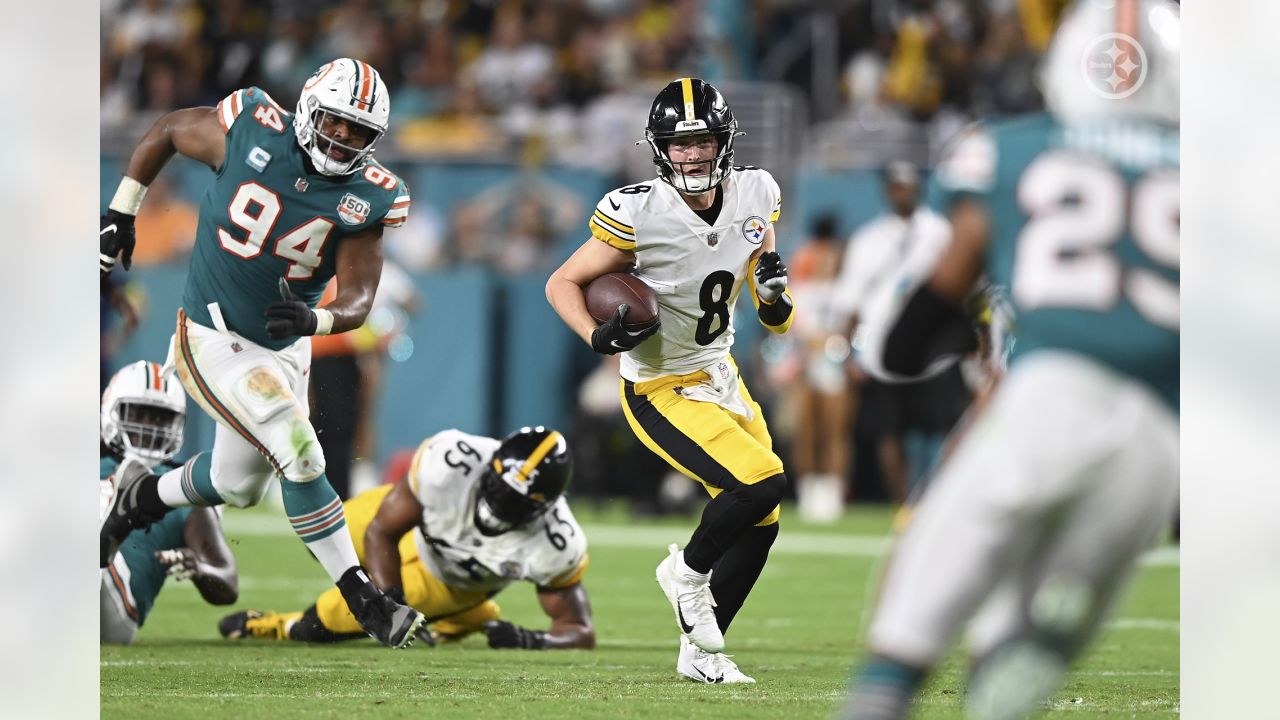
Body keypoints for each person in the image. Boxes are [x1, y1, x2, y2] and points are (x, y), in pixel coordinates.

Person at [843, 2, 1180, 717]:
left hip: (1052, 395)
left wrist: (908, 345)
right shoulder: (1228, 174)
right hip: (1158, 438)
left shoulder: (1012, 148)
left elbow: (952, 273)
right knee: (1020, 648)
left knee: (907, 630)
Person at [98, 58, 426, 648]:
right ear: (307, 108)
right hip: (211, 333)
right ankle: (363, 596)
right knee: (299, 449)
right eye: (336, 122)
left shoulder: (368, 196)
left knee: (238, 484)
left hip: (282, 345)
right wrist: (122, 209)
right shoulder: (252, 124)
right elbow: (169, 129)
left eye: (359, 131)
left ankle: (138, 497)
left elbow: (357, 299)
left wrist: (317, 318)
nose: (344, 139)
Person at [546, 78, 794, 684]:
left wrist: (773, 299)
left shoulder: (757, 193)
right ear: (659, 150)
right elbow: (562, 283)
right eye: (679, 145)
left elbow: (776, 318)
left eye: (703, 139)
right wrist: (594, 336)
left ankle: (702, 655)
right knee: (761, 482)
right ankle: (685, 572)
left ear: (724, 140)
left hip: (721, 372)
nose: (693, 154)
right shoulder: (638, 212)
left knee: (762, 518)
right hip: (661, 385)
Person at [218, 427, 595, 651]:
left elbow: (579, 629)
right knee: (324, 532)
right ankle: (461, 618)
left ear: (544, 508)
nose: (498, 506)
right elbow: (383, 530)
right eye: (496, 489)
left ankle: (275, 625)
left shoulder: (556, 543)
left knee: (326, 618)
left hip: (447, 579)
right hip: (407, 526)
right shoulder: (451, 460)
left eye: (515, 504)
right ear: (489, 465)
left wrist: (531, 640)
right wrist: (389, 601)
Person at [831, 160, 967, 506]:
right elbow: (851, 301)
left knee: (948, 424)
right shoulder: (867, 239)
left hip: (936, 345)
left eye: (907, 185)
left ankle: (944, 499)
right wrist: (846, 351)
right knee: (889, 430)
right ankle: (899, 504)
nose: (902, 192)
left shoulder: (942, 233)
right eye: (896, 185)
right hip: (882, 346)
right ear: (887, 190)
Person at [100, 361, 238, 645]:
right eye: (140, 413)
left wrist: (200, 569)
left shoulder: (180, 487)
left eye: (161, 418)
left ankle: (105, 540)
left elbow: (228, 582)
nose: (150, 426)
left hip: (116, 608)